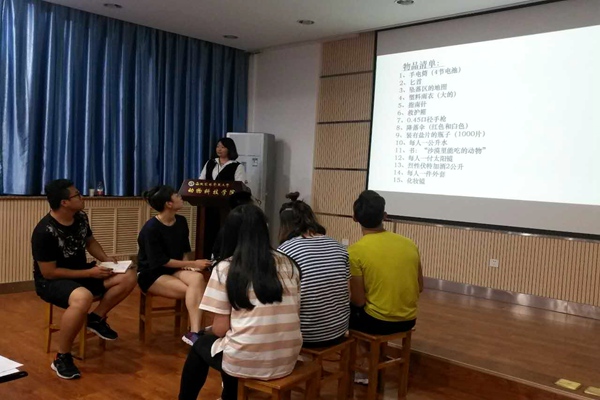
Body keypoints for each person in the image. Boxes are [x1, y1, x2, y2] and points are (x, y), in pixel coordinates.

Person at [178, 204, 302, 400]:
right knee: (232, 341)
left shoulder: (225, 268)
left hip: (247, 359)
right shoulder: (288, 263)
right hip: (288, 356)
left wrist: (206, 331)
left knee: (200, 345)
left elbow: (220, 329)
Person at [32, 179, 137, 380]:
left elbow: (89, 241)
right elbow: (49, 273)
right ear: (64, 202)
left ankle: (95, 318)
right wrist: (89, 274)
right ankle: (62, 357)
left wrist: (106, 259)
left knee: (129, 275)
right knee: (83, 297)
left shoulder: (80, 217)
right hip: (52, 282)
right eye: (77, 195)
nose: (82, 197)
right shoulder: (44, 231)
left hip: (82, 272)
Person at [348, 190, 423, 384]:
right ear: (385, 216)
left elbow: (358, 301)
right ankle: (377, 358)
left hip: (378, 321)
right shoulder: (409, 244)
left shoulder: (355, 252)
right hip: (408, 320)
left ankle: (365, 368)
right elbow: (420, 286)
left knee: (347, 312)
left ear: (354, 218)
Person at [137, 185, 211, 346]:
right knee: (195, 291)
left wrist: (188, 266)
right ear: (168, 204)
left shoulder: (181, 221)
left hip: (174, 269)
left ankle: (194, 332)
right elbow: (160, 261)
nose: (180, 197)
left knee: (198, 279)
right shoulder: (151, 228)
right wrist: (192, 263)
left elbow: (184, 250)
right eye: (176, 195)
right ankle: (196, 333)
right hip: (152, 273)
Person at [277, 192, 350, 348]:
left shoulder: (285, 251)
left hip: (307, 335)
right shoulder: (338, 246)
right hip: (339, 329)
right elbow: (347, 292)